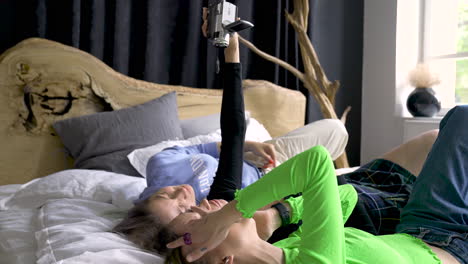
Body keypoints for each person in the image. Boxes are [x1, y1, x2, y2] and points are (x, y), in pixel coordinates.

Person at [113, 8, 441, 250]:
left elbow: (233, 131)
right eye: (196, 216)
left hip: (348, 185)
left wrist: (231, 51)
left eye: (192, 206)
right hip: (375, 211)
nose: (198, 202)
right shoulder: (274, 248)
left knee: (432, 138)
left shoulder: (223, 201)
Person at [166, 105, 467, 264]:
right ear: (225, 261)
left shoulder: (286, 248)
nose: (208, 212)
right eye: (201, 227)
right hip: (460, 251)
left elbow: (346, 196)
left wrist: (282, 215)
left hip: (425, 228)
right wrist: (228, 213)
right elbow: (316, 162)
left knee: (460, 119)